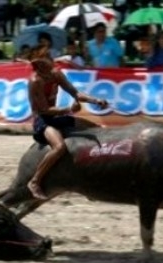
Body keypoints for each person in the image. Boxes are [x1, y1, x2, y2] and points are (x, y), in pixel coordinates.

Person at [26, 46, 109, 199]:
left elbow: (75, 93)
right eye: (47, 59)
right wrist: (69, 110)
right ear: (40, 65)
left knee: (97, 128)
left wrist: (95, 100)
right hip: (42, 120)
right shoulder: (35, 81)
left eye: (49, 57)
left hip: (56, 116)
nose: (52, 61)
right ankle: (35, 181)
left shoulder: (56, 74)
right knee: (59, 147)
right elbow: (43, 110)